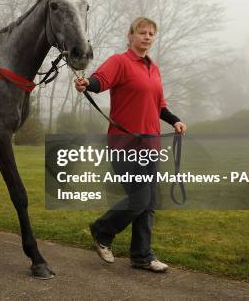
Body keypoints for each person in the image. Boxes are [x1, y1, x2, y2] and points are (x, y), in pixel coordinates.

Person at [74, 17, 186, 273]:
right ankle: (102, 230)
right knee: (139, 198)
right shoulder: (120, 61)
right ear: (131, 35)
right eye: (142, 32)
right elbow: (100, 81)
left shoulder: (153, 68)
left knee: (149, 203)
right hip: (124, 144)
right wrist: (86, 84)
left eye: (151, 33)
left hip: (151, 145)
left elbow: (159, 105)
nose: (147, 37)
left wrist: (175, 121)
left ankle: (142, 256)